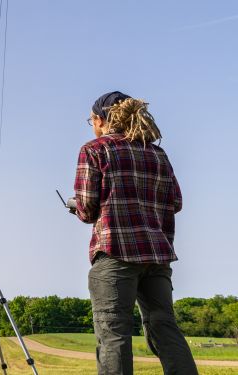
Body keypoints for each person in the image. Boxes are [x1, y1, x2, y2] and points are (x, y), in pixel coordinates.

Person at [72, 91, 197, 375]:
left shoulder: (94, 149)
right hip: (157, 256)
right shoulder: (158, 153)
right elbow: (175, 202)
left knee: (113, 331)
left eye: (91, 120)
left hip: (115, 254)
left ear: (101, 120)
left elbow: (87, 208)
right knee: (165, 327)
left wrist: (76, 206)